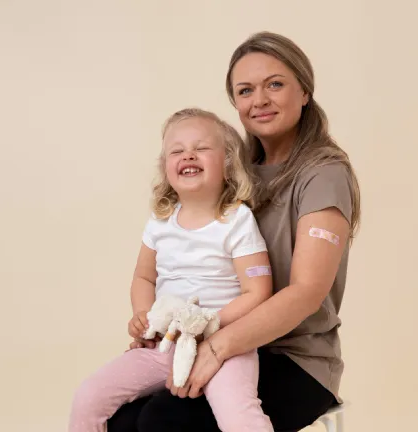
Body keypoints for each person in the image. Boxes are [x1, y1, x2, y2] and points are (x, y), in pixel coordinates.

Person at [107, 31, 361, 432]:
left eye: (274, 84)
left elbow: (306, 292)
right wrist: (161, 327)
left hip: (294, 359)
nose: (259, 100)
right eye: (245, 90)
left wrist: (217, 347)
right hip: (211, 339)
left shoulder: (323, 175)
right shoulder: (231, 174)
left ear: (304, 91)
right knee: (121, 420)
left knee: (163, 420)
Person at [68, 108, 276, 432]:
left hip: (225, 346)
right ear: (165, 168)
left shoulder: (237, 221)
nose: (188, 155)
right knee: (88, 396)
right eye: (176, 151)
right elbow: (144, 276)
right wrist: (143, 316)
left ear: (227, 164)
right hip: (165, 343)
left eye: (201, 148)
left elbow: (258, 292)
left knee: (239, 415)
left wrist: (210, 323)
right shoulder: (160, 221)